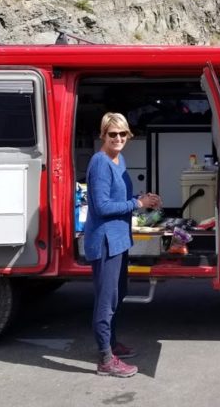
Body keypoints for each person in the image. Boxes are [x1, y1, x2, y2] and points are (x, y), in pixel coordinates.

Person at [84, 112, 161, 377]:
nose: (118, 138)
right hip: (105, 240)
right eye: (112, 134)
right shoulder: (100, 163)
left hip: (119, 239)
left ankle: (111, 344)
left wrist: (142, 199)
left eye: (122, 134)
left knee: (117, 295)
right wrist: (136, 204)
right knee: (106, 300)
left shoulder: (119, 159)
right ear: (103, 136)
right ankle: (105, 360)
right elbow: (102, 206)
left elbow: (122, 198)